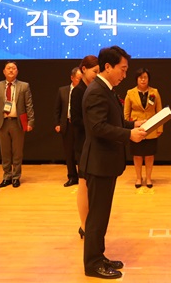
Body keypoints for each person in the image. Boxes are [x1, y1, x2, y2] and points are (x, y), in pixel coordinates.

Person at [79, 45, 147, 279]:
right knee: (96, 216)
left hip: (105, 162)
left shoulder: (105, 88)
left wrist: (132, 125)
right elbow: (98, 127)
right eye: (123, 69)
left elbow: (112, 120)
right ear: (108, 67)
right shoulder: (97, 90)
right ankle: (92, 264)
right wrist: (129, 135)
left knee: (102, 214)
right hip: (98, 162)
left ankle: (99, 256)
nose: (125, 75)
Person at [0, 61, 34, 188]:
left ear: (17, 71)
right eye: (8, 68)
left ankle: (16, 177)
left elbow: (29, 105)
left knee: (17, 152)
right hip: (2, 123)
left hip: (17, 123)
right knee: (5, 152)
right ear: (4, 71)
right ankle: (6, 176)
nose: (11, 70)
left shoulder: (24, 86)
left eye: (13, 68)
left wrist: (30, 122)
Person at [70, 55, 100, 239]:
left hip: (94, 144)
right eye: (94, 72)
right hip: (83, 144)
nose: (97, 75)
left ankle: (89, 223)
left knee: (91, 186)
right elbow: (76, 120)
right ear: (83, 70)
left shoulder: (94, 88)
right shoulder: (79, 91)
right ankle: (83, 225)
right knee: (83, 184)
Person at [124, 68, 163, 189]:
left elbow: (160, 111)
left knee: (150, 155)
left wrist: (159, 128)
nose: (143, 79)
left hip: (151, 129)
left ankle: (149, 178)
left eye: (145, 77)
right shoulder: (130, 93)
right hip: (136, 129)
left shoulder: (154, 92)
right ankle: (138, 177)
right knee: (137, 155)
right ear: (136, 79)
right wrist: (128, 128)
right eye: (140, 77)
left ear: (148, 79)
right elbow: (126, 113)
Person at [54, 66, 83, 187]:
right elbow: (57, 109)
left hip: (80, 126)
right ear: (72, 78)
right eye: (78, 78)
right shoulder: (62, 91)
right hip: (67, 125)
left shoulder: (84, 91)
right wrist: (57, 124)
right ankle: (72, 177)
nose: (80, 81)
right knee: (69, 153)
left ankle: (83, 177)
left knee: (80, 153)